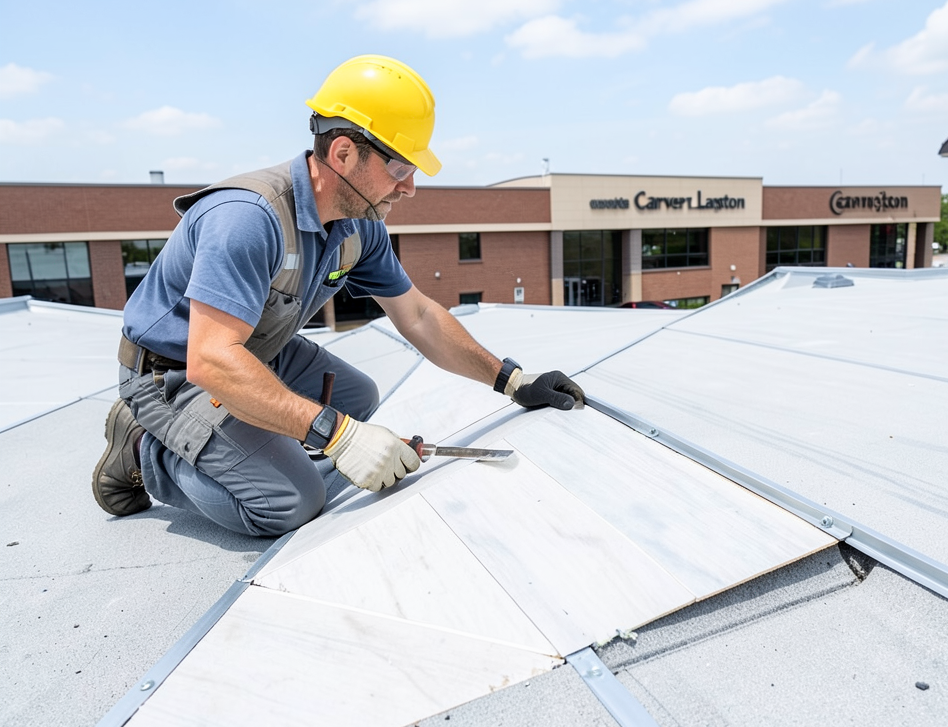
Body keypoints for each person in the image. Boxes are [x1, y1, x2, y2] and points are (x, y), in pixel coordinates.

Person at [91, 55, 584, 537]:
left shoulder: (357, 225)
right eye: (398, 168)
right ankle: (142, 446)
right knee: (291, 503)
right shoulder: (248, 219)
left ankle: (247, 441)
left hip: (258, 351)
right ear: (344, 153)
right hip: (170, 373)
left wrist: (512, 380)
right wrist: (339, 437)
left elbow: (417, 315)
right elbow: (212, 361)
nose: (410, 188)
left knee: (357, 397)